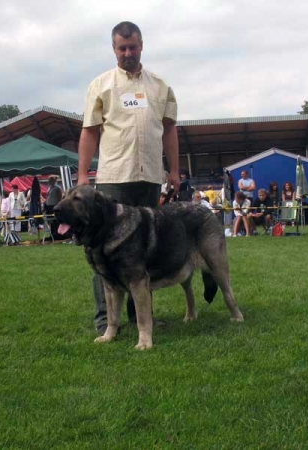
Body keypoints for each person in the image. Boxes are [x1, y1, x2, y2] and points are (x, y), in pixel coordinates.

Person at [76, 21, 180, 336]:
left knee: (144, 252)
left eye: (132, 47)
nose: (127, 53)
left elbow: (170, 130)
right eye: (121, 48)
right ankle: (105, 320)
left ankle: (140, 319)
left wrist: (173, 170)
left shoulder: (160, 86)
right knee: (102, 250)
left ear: (141, 45)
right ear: (113, 49)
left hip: (148, 178)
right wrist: (82, 174)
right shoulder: (101, 85)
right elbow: (89, 132)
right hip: (112, 179)